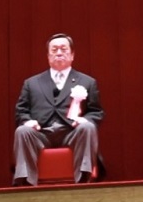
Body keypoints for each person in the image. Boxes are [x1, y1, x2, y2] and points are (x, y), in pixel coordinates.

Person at [13, 33, 104, 186]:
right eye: (54, 50)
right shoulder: (31, 83)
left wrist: (85, 120)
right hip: (41, 133)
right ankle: (26, 182)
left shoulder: (87, 81)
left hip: (72, 133)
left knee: (88, 127)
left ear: (72, 55)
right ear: (48, 56)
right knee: (22, 131)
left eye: (63, 49)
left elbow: (97, 112)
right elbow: (20, 111)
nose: (59, 53)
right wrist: (27, 121)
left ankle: (83, 178)